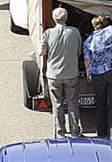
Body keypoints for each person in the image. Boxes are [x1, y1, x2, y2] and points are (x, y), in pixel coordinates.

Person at [83, 9, 112, 141]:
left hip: (98, 75)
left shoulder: (88, 41)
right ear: (105, 23)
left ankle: (101, 132)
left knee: (100, 103)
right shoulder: (111, 32)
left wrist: (88, 73)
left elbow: (87, 61)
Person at [40, 7, 82, 139]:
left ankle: (60, 133)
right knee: (72, 102)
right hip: (71, 73)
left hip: (54, 75)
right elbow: (79, 52)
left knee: (57, 104)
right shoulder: (74, 32)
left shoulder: (47, 34)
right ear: (67, 18)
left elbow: (42, 52)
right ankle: (75, 132)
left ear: (54, 19)